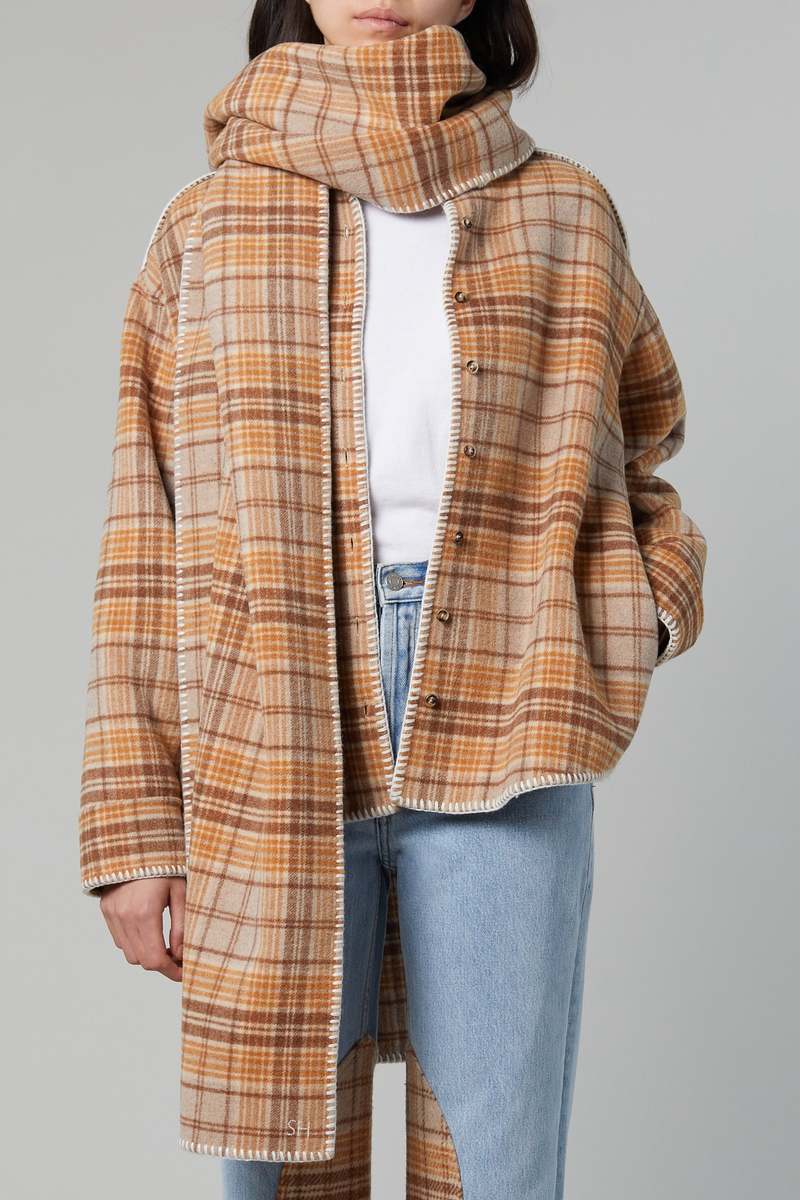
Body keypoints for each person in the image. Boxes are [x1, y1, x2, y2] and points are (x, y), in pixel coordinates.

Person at [78, 2, 708, 1197]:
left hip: (507, 696)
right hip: (263, 711)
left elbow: (641, 453)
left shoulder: (563, 211)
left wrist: (642, 611)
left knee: (496, 1159)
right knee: (277, 1154)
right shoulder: (205, 226)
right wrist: (133, 830)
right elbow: (143, 532)